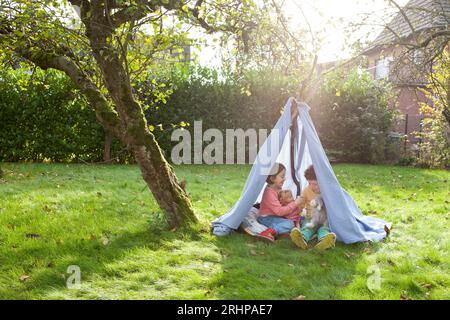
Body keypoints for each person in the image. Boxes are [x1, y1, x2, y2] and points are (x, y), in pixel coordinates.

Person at [290, 165, 336, 250]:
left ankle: (324, 241)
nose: (312, 186)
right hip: (310, 218)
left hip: (324, 219)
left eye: (315, 184)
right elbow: (301, 203)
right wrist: (297, 209)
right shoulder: (307, 190)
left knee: (324, 229)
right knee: (307, 228)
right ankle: (301, 239)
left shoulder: (327, 191)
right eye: (309, 183)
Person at [257, 163, 303, 240]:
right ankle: (268, 232)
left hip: (275, 216)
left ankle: (286, 232)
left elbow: (282, 205)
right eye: (282, 176)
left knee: (300, 218)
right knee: (290, 224)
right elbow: (279, 212)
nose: (284, 179)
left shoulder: (277, 188)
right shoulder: (269, 193)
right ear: (272, 179)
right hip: (266, 218)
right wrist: (294, 204)